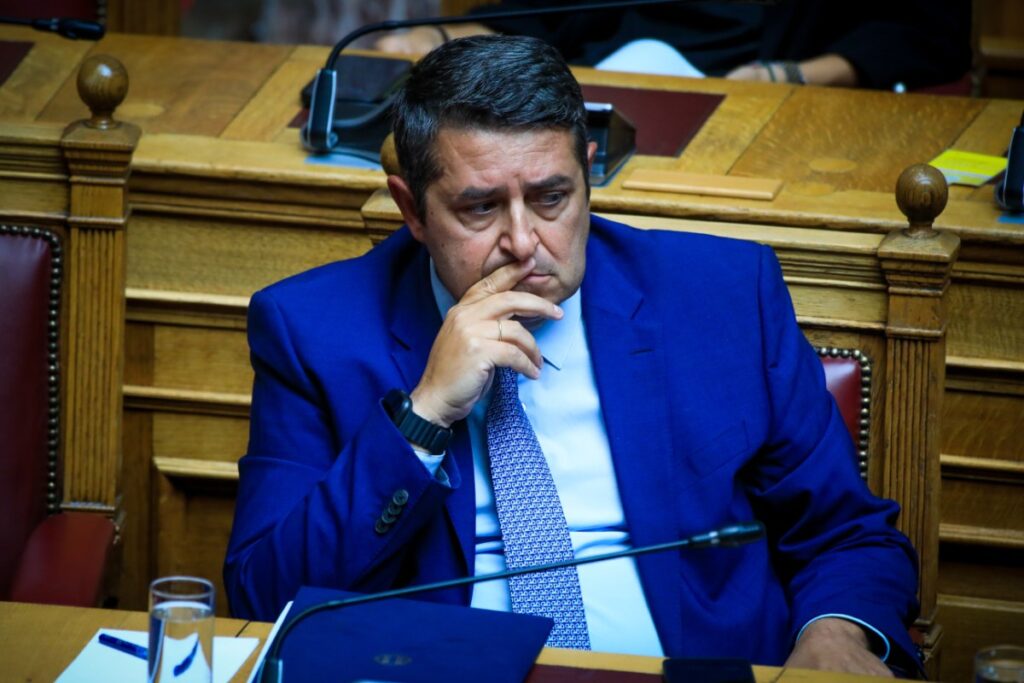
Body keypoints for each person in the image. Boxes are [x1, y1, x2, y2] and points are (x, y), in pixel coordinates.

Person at [224, 35, 920, 676]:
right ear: (412, 210)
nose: (524, 242)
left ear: (587, 173)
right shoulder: (312, 329)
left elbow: (845, 532)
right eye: (480, 209)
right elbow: (265, 596)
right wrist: (424, 416)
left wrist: (836, 634)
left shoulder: (723, 297)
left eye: (551, 198)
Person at [375, 0, 972, 90]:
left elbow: (927, 35)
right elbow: (543, 15)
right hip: (601, 92)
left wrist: (789, 77)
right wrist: (440, 37)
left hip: (770, 104)